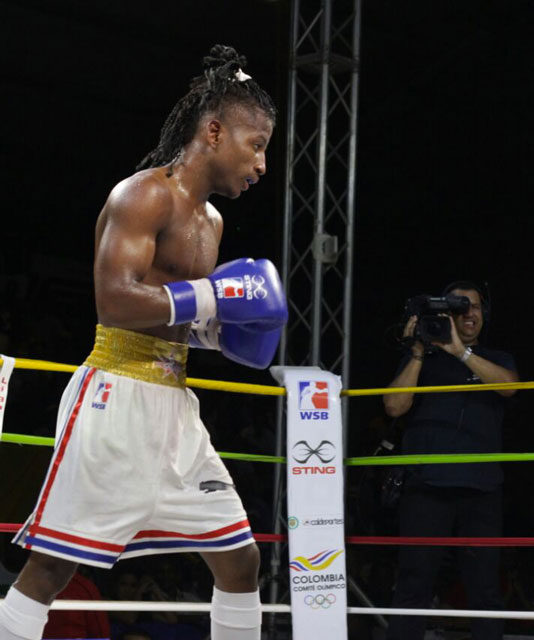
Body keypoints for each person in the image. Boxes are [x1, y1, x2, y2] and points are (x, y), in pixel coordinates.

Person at [0, 45, 285, 640]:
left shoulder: (211, 222)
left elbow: (179, 317)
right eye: (256, 145)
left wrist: (224, 330)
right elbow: (116, 300)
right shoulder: (143, 195)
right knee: (52, 566)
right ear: (214, 132)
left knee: (240, 559)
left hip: (174, 404)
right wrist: (219, 299)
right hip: (114, 397)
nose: (262, 164)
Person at [383, 281, 518, 640]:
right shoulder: (423, 359)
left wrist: (461, 353)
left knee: (484, 587)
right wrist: (416, 351)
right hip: (426, 487)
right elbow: (394, 406)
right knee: (414, 582)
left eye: (474, 307)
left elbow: (509, 387)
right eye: (459, 309)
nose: (469, 314)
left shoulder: (497, 359)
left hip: (481, 490)